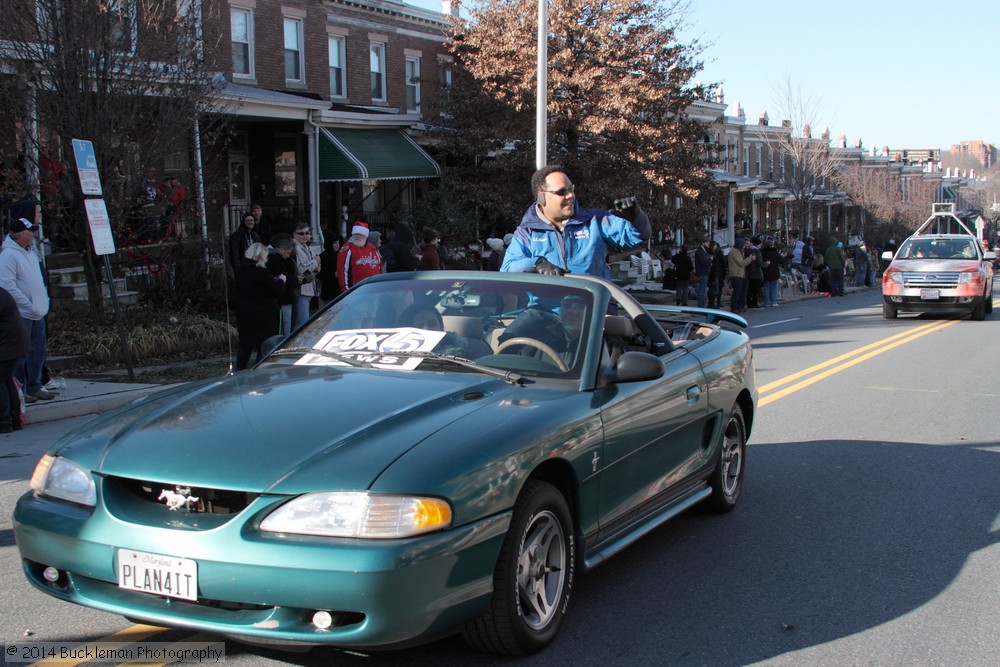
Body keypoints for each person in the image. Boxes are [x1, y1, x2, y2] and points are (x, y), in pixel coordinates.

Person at [501, 165, 651, 277]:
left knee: (615, 321)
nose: (570, 196)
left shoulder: (595, 221)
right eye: (561, 192)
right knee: (524, 320)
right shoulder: (526, 231)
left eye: (571, 189)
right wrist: (536, 264)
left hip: (593, 308)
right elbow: (507, 269)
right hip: (546, 312)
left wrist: (635, 217)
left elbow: (638, 238)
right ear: (541, 197)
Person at [0, 203, 52, 403]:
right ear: (21, 234)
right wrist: (27, 304)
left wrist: (42, 301)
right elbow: (7, 286)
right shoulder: (8, 256)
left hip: (38, 311)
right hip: (22, 313)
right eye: (30, 231)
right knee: (21, 354)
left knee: (38, 351)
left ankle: (35, 385)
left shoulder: (30, 252)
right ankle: (20, 389)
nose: (33, 234)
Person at [235, 243, 286, 370]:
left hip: (245, 313)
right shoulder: (262, 273)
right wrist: (281, 281)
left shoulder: (241, 272)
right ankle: (258, 370)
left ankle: (240, 369)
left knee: (245, 345)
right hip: (263, 315)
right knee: (263, 346)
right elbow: (276, 291)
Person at [0, 286, 30, 431]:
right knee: (6, 379)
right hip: (13, 343)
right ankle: (14, 419)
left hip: (8, 344)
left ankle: (4, 421)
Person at [336, 222, 383, 291]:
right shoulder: (347, 249)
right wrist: (345, 289)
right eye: (356, 234)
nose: (358, 236)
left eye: (361, 234)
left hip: (373, 290)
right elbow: (342, 270)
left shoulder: (372, 248)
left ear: (365, 236)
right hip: (355, 291)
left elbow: (380, 266)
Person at [266, 234, 298, 335]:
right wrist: (295, 279)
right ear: (282, 249)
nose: (288, 255)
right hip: (283, 297)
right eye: (288, 253)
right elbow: (283, 277)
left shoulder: (284, 260)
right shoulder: (276, 260)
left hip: (286, 295)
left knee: (288, 321)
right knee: (286, 322)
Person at [292, 222, 320, 328]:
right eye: (301, 233)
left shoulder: (306, 247)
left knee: (304, 322)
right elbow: (300, 270)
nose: (304, 235)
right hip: (301, 291)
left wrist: (316, 270)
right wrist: (315, 262)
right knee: (302, 324)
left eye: (307, 233)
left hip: (308, 289)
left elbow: (306, 272)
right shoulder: (296, 248)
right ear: (295, 234)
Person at [228, 212, 260, 278]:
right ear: (244, 222)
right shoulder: (237, 235)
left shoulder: (256, 235)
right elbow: (234, 254)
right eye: (248, 220)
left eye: (252, 220)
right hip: (243, 267)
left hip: (254, 266)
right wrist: (238, 269)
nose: (250, 222)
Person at [727, 238, 754, 313]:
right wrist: (750, 258)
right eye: (744, 245)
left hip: (741, 274)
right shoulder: (734, 252)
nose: (744, 247)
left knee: (743, 291)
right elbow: (741, 263)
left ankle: (740, 306)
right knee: (737, 291)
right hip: (736, 274)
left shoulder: (740, 252)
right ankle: (734, 307)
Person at [318, 234, 344, 306]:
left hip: (340, 290)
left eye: (338, 243)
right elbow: (319, 273)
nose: (337, 245)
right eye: (335, 243)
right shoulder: (323, 256)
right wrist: (333, 274)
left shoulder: (341, 255)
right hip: (329, 291)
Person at [760, 236, 783, 307]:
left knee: (766, 287)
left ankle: (767, 302)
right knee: (774, 287)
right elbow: (781, 260)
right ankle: (773, 301)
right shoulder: (774, 252)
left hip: (765, 271)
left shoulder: (762, 252)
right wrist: (788, 257)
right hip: (774, 272)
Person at [745, 236, 765, 309]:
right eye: (760, 244)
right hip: (756, 272)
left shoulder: (748, 250)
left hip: (750, 271)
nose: (760, 246)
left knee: (750, 289)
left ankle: (749, 302)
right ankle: (754, 303)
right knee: (756, 289)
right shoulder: (756, 251)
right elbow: (759, 263)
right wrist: (766, 264)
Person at [693, 237, 713, 308]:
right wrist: (710, 261)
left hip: (703, 272)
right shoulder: (700, 251)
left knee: (702, 289)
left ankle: (701, 304)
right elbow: (704, 261)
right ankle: (701, 305)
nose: (709, 244)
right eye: (707, 242)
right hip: (702, 272)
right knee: (702, 290)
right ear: (703, 243)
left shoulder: (703, 250)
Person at [708, 241, 727, 308]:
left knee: (714, 288)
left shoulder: (711, 253)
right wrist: (724, 273)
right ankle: (717, 302)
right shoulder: (719, 254)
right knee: (718, 289)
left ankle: (712, 302)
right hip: (718, 273)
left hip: (715, 273)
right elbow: (723, 264)